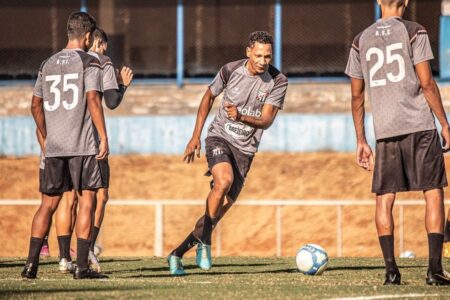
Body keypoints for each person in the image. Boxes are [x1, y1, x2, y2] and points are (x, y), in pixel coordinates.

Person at [346, 0, 450, 285]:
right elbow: (427, 83)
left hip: (385, 131)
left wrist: (360, 140)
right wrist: (444, 122)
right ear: (406, 2)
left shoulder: (360, 40)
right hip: (419, 125)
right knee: (433, 193)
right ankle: (434, 270)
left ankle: (391, 271)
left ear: (378, 1)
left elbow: (357, 96)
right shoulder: (415, 31)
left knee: (385, 197)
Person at [168, 31, 288, 275]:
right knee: (223, 182)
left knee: (214, 217)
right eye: (258, 56)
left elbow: (266, 120)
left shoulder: (278, 81)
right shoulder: (230, 70)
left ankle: (176, 254)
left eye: (268, 56)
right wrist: (195, 136)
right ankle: (206, 244)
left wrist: (241, 116)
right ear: (248, 52)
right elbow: (208, 97)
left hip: (246, 151)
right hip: (219, 137)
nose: (263, 61)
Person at [22, 11, 109, 280]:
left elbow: (35, 104)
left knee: (48, 204)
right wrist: (103, 136)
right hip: (82, 145)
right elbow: (93, 99)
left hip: (55, 146)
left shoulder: (46, 64)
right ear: (86, 36)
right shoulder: (89, 61)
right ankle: (81, 267)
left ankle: (30, 265)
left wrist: (46, 134)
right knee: (87, 200)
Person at [53, 27, 133, 273]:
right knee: (98, 197)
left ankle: (64, 258)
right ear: (95, 42)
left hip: (60, 139)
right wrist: (122, 85)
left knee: (68, 198)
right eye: (103, 46)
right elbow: (110, 102)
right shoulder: (101, 62)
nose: (104, 51)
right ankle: (87, 252)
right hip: (89, 141)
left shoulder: (58, 63)